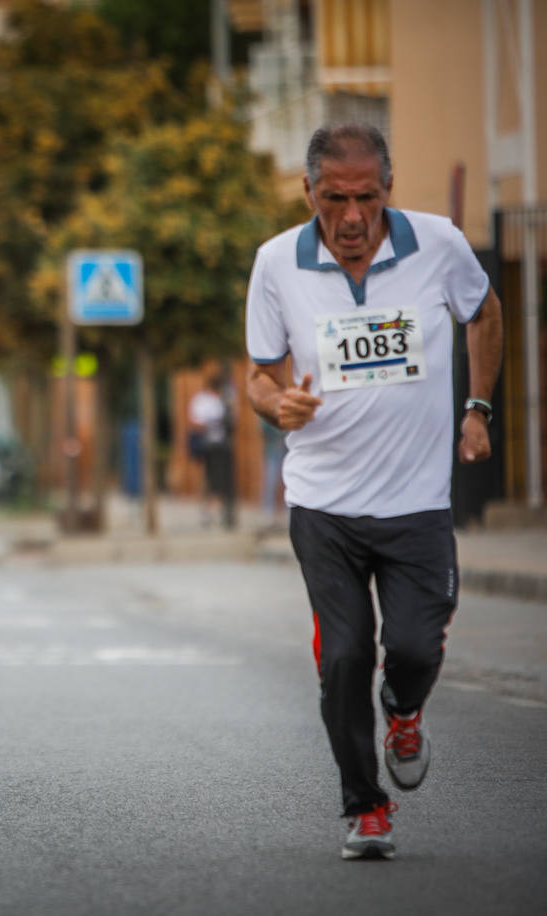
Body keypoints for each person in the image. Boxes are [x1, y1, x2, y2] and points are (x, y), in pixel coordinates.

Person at [244, 124, 502, 860]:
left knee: (414, 648)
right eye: (334, 199)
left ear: (388, 190)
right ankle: (365, 805)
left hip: (418, 501)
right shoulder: (276, 264)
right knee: (345, 654)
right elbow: (259, 373)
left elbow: (483, 312)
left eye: (367, 197)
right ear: (309, 193)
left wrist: (478, 407)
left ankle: (405, 706)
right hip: (322, 503)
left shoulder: (438, 244)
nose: (352, 217)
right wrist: (274, 406)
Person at [186, 371, 236, 529]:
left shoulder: (222, 400)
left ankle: (217, 510)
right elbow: (194, 422)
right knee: (207, 478)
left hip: (219, 443)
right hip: (206, 444)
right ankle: (207, 510)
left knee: (220, 478)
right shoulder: (202, 400)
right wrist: (209, 424)